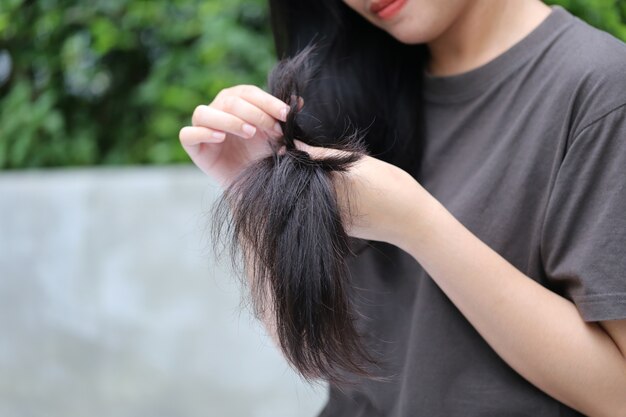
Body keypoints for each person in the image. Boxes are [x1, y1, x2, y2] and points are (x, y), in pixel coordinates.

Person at [179, 0, 626, 415]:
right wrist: (250, 188)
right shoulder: (351, 87)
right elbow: (321, 358)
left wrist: (418, 225)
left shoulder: (599, 91)